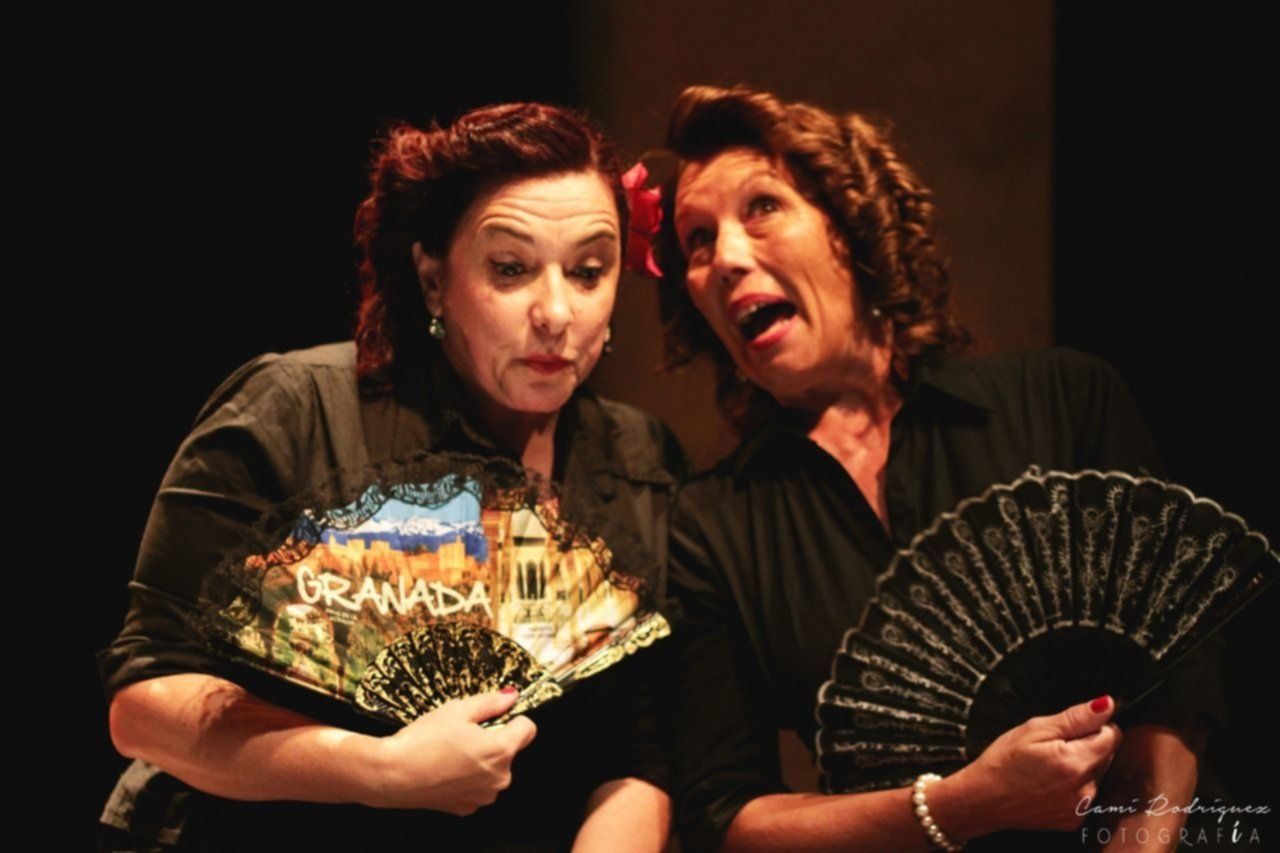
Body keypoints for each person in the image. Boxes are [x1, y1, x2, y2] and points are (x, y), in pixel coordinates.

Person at [649, 84, 1225, 852]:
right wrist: (962, 804)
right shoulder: (712, 525)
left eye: (762, 207)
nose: (724, 257)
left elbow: (1178, 686)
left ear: (852, 224)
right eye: (696, 240)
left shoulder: (1064, 401)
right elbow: (727, 816)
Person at [97, 102, 685, 852]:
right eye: (510, 269)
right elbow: (145, 704)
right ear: (434, 280)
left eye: (588, 271)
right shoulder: (300, 410)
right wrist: (378, 770)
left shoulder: (637, 459)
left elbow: (639, 751)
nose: (556, 312)